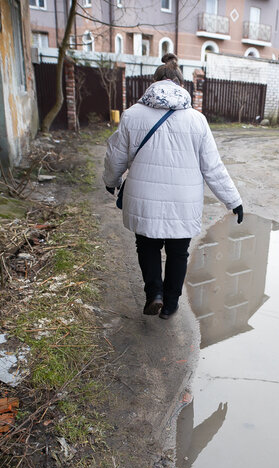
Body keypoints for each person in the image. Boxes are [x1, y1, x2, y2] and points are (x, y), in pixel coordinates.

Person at [103, 53, 243, 320]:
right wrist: (233, 200)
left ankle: (153, 293)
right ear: (181, 85)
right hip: (183, 200)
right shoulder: (197, 120)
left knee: (147, 247)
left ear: (154, 83)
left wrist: (111, 182)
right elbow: (213, 167)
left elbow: (115, 155)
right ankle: (170, 304)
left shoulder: (133, 115)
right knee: (178, 253)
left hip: (144, 198)